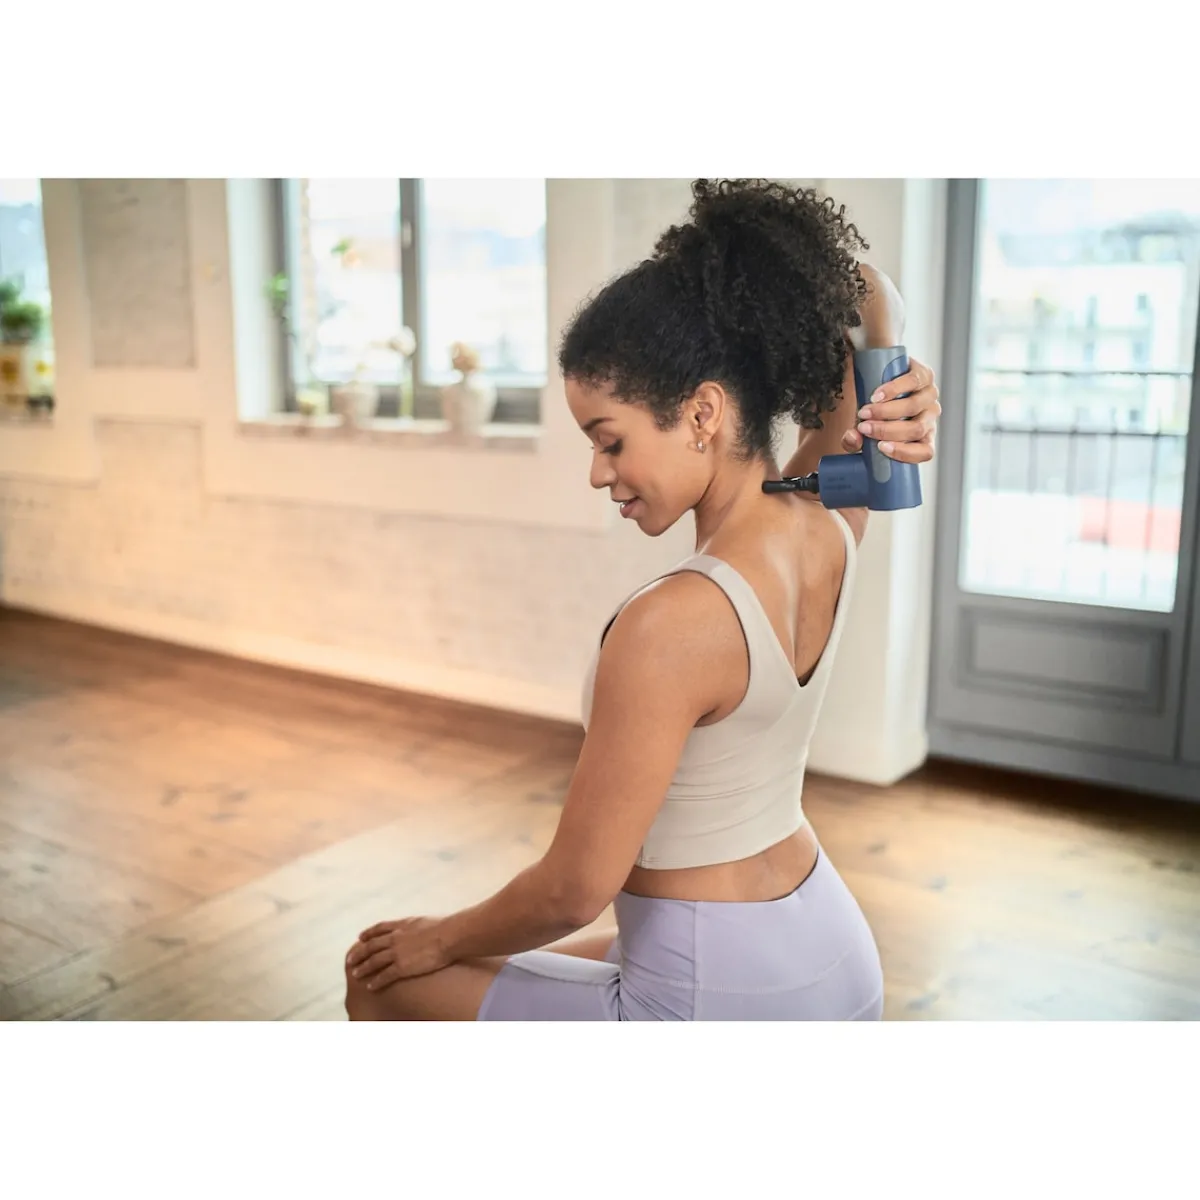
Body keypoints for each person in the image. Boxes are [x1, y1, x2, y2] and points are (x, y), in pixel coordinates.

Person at [344, 178, 941, 1021]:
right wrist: (892, 361)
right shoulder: (828, 521)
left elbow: (572, 888)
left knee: (383, 981)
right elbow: (873, 299)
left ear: (702, 413)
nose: (598, 472)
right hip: (829, 955)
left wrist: (436, 938)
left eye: (610, 440)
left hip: (718, 989)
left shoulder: (672, 623)